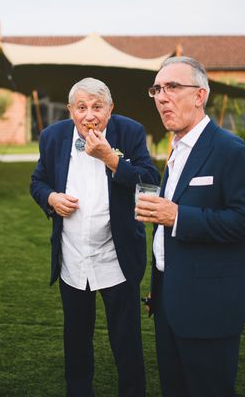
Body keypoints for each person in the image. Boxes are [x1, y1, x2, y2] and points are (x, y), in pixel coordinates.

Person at [136, 56, 245, 397]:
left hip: (209, 308)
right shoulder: (176, 149)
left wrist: (177, 217)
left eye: (172, 87)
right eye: (157, 89)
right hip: (169, 303)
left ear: (200, 95)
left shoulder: (230, 151)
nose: (162, 97)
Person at [30, 77, 159, 397]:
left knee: (125, 337)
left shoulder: (129, 132)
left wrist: (110, 158)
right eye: (82, 107)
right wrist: (50, 199)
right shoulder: (52, 137)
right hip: (72, 256)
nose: (89, 115)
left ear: (110, 109)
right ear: (71, 110)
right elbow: (38, 181)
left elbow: (151, 181)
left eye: (97, 107)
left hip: (116, 255)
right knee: (76, 336)